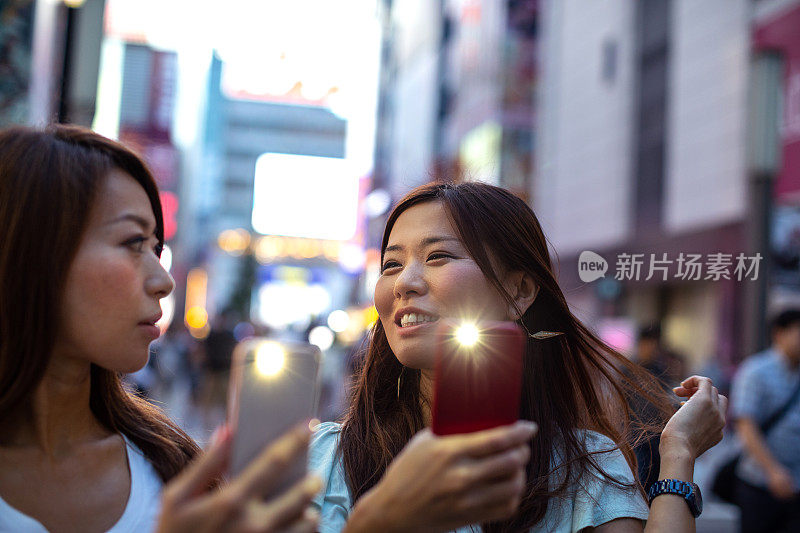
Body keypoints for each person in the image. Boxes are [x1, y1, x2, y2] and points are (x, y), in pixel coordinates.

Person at [309, 182, 727, 532]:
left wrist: (679, 454)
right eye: (391, 264)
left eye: (438, 256)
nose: (405, 283)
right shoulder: (324, 459)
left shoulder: (587, 471)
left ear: (519, 292)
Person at [0, 124, 320, 532]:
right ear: (33, 252)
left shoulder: (171, 462)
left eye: (157, 248)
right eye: (133, 242)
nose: (164, 281)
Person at [731, 309, 800, 533]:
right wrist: (773, 472)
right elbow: (745, 425)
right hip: (759, 482)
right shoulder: (756, 370)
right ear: (779, 334)